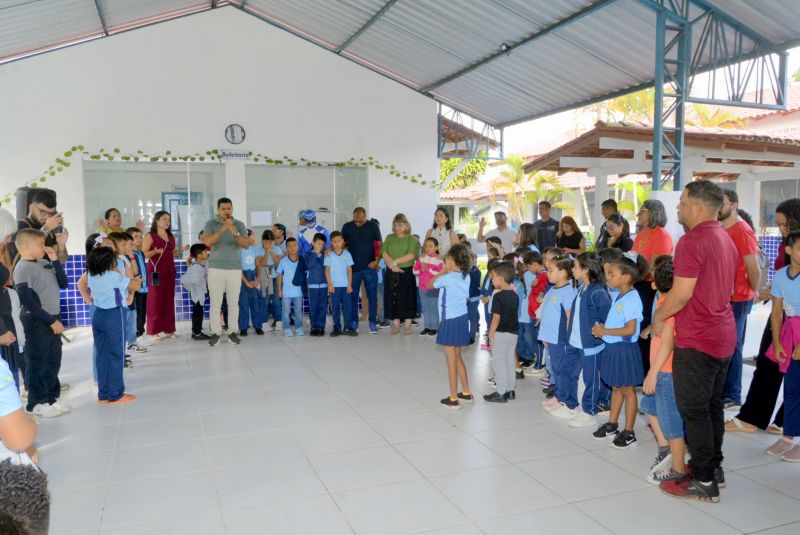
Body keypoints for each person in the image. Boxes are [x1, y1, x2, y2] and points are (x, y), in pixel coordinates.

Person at [653, 180, 737, 503]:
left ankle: (703, 479)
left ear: (699, 207)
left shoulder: (691, 241)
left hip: (699, 339)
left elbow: (681, 294)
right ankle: (714, 469)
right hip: (723, 335)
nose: (678, 207)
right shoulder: (725, 237)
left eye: (683, 202)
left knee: (694, 410)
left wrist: (659, 316)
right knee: (712, 406)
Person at [729, 198, 800, 435]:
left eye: (785, 224)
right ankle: (752, 417)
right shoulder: (785, 245)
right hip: (781, 313)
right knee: (769, 363)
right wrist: (773, 289)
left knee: (795, 369)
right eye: (779, 225)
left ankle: (785, 420)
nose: (781, 229)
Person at [591, 252, 649, 449]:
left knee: (628, 390)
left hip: (624, 350)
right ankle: (612, 424)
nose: (608, 277)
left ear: (626, 277)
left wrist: (605, 331)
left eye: (612, 274)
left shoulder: (632, 298)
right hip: (614, 348)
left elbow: (630, 329)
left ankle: (629, 432)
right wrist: (604, 329)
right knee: (616, 387)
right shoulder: (621, 295)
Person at [640, 255, 688, 485]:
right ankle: (664, 448)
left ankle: (677, 465)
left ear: (654, 284)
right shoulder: (667, 304)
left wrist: (652, 373)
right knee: (648, 407)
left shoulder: (666, 308)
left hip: (665, 373)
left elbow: (667, 344)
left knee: (671, 423)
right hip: (661, 371)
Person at [13, 229, 68, 418]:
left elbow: (64, 283)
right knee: (38, 361)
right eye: (40, 244)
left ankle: (51, 399)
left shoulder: (45, 263)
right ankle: (36, 403)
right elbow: (27, 301)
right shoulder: (22, 268)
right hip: (36, 319)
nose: (44, 247)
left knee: (53, 360)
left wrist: (55, 261)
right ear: (26, 246)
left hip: (53, 317)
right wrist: (51, 321)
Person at [718, 189, 761, 410]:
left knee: (732, 345)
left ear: (734, 205)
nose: (718, 207)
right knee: (724, 344)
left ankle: (733, 394)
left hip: (738, 298)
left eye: (722, 203)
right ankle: (724, 390)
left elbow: (755, 269)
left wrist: (751, 292)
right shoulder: (719, 228)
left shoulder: (742, 231)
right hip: (722, 296)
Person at [563, 252, 612, 428]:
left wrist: (600, 332)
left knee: (591, 380)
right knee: (570, 371)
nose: (572, 269)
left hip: (591, 345)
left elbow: (607, 319)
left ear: (586, 269)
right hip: (576, 342)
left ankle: (589, 411)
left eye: (576, 266)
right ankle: (572, 404)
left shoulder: (597, 292)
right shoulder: (582, 288)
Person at [763, 230, 800, 461]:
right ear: (788, 250)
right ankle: (788, 437)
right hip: (790, 333)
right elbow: (776, 313)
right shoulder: (780, 276)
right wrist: (777, 343)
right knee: (792, 388)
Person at [87, 246, 140, 405]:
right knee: (116, 354)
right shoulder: (113, 276)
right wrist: (123, 273)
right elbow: (135, 286)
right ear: (109, 262)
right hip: (114, 315)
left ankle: (103, 393)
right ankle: (116, 394)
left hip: (98, 315)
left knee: (102, 354)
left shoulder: (91, 275)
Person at [632, 199, 674, 376]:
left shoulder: (662, 235)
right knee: (637, 328)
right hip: (637, 284)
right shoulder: (642, 234)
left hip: (651, 287)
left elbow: (656, 267)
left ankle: (648, 372)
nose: (638, 214)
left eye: (642, 211)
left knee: (646, 329)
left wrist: (634, 273)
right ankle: (639, 371)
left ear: (652, 213)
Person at [202, 198, 249, 346]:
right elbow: (207, 242)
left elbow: (246, 245)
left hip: (234, 268)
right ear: (218, 210)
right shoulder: (211, 224)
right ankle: (215, 333)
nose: (226, 211)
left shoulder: (239, 225)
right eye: (223, 209)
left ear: (232, 209)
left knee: (233, 303)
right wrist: (223, 229)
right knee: (215, 303)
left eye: (229, 208)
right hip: (216, 268)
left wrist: (235, 233)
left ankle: (233, 332)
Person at [431, 243, 473, 409]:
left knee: (451, 361)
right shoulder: (465, 276)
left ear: (452, 260)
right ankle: (466, 392)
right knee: (457, 357)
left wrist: (443, 271)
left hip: (449, 320)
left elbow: (429, 284)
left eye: (447, 259)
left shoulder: (447, 278)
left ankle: (453, 398)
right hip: (462, 319)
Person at [539, 257, 577, 417]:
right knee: (556, 369)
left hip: (561, 339)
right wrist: (544, 336)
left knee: (562, 370)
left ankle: (564, 399)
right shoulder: (553, 289)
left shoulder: (568, 291)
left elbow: (569, 317)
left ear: (563, 273)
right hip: (551, 338)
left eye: (551, 270)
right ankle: (559, 395)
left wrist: (569, 338)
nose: (547, 273)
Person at [141, 212, 181, 342]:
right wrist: (155, 251)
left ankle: (169, 329)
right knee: (155, 300)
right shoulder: (150, 236)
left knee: (169, 300)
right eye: (164, 219)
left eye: (169, 219)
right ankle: (153, 331)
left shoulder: (171, 236)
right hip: (156, 271)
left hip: (169, 270)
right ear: (157, 221)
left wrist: (180, 251)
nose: (167, 222)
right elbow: (143, 254)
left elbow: (170, 253)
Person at [341, 207, 382, 334]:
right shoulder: (347, 226)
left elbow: (381, 245)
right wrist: (330, 250)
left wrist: (377, 261)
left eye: (360, 219)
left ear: (365, 217)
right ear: (353, 216)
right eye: (355, 219)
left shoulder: (373, 226)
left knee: (372, 296)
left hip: (370, 268)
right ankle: (354, 322)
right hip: (353, 269)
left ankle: (372, 322)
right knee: (352, 297)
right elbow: (341, 244)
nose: (357, 222)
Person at [484, 261, 519, 403]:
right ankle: (510, 390)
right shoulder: (514, 295)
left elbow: (496, 318)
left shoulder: (498, 296)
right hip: (513, 333)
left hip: (500, 333)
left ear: (500, 278)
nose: (492, 280)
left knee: (498, 362)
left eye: (493, 277)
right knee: (509, 361)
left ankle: (500, 392)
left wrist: (490, 334)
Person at [381, 214, 420, 335]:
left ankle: (407, 325)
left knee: (407, 298)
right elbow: (384, 252)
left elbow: (411, 255)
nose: (398, 227)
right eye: (396, 225)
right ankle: (396, 324)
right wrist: (392, 266)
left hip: (406, 272)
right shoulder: (389, 237)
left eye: (400, 225)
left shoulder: (412, 239)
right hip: (391, 271)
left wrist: (395, 262)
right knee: (393, 298)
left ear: (406, 225)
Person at [12, 189, 69, 264]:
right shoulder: (21, 226)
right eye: (42, 211)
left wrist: (61, 246)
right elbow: (25, 256)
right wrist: (47, 228)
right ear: (31, 208)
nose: (46, 217)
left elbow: (61, 261)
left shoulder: (50, 230)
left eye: (50, 213)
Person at [325, 231, 356, 337]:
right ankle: (336, 328)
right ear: (331, 243)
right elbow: (327, 270)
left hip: (346, 286)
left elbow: (349, 270)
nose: (337, 243)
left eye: (339, 241)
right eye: (334, 241)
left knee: (347, 308)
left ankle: (347, 327)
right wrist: (330, 284)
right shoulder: (329, 254)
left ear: (343, 241)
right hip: (334, 287)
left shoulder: (347, 254)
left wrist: (349, 284)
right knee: (335, 308)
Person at [414, 237, 443, 337]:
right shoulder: (421, 258)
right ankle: (427, 327)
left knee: (433, 307)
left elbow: (440, 273)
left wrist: (428, 269)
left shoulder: (439, 260)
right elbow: (415, 271)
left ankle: (435, 327)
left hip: (433, 287)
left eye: (430, 246)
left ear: (436, 247)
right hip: (422, 287)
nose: (428, 248)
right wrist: (421, 269)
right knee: (425, 307)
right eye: (426, 246)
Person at [298, 233, 327, 337]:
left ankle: (321, 327)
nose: (320, 246)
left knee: (322, 307)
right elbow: (308, 265)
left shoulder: (325, 255)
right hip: (312, 285)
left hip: (324, 285)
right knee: (313, 307)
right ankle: (314, 327)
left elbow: (327, 268)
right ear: (313, 243)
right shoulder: (307, 255)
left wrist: (321, 254)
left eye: (322, 245)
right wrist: (315, 254)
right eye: (318, 244)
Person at [180, 244, 210, 341]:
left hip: (196, 294)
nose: (207, 253)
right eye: (205, 252)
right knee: (198, 312)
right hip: (197, 294)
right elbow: (194, 280)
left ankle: (195, 331)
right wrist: (204, 279)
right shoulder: (197, 268)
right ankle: (197, 333)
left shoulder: (196, 266)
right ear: (199, 255)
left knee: (197, 312)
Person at [238, 230, 265, 336]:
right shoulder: (238, 251)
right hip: (243, 278)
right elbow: (239, 268)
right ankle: (243, 328)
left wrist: (257, 278)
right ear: (246, 237)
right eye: (252, 235)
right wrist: (246, 282)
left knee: (256, 303)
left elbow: (258, 265)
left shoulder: (255, 250)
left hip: (254, 277)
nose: (254, 237)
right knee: (243, 304)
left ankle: (258, 326)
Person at [276, 238, 304, 337]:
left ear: (298, 246)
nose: (292, 248)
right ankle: (287, 328)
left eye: (294, 245)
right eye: (290, 246)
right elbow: (279, 275)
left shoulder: (302, 260)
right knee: (286, 311)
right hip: (286, 292)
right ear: (286, 248)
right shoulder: (283, 261)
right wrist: (279, 289)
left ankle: (299, 327)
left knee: (298, 311)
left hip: (299, 291)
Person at [258, 229, 284, 331]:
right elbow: (262, 263)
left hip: (275, 277)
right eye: (266, 241)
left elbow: (278, 263)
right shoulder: (259, 250)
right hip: (264, 277)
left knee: (276, 300)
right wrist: (266, 252)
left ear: (273, 241)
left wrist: (271, 251)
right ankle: (264, 323)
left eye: (270, 241)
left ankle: (279, 322)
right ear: (262, 241)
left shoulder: (277, 249)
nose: (268, 243)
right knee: (265, 300)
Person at [127, 226, 148, 342]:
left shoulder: (141, 253)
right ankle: (136, 335)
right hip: (135, 289)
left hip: (144, 288)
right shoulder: (129, 255)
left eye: (141, 236)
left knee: (142, 312)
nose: (139, 239)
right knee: (136, 313)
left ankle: (141, 332)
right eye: (136, 237)